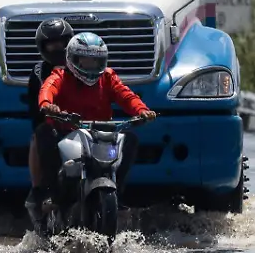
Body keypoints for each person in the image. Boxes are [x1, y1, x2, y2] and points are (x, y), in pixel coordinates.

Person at [27, 32, 157, 232]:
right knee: (44, 132)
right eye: (85, 61)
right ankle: (51, 193)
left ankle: (117, 192)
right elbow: (47, 90)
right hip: (67, 132)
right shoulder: (59, 75)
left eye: (96, 61)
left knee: (130, 139)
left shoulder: (108, 77)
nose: (91, 66)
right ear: (71, 59)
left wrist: (142, 110)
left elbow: (126, 95)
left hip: (101, 134)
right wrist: (47, 105)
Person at [24, 19, 73, 229]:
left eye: (62, 43)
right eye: (51, 45)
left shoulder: (86, 65)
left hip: (84, 124)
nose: (57, 49)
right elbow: (40, 103)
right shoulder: (39, 73)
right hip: (53, 125)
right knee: (41, 133)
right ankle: (42, 191)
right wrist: (50, 109)